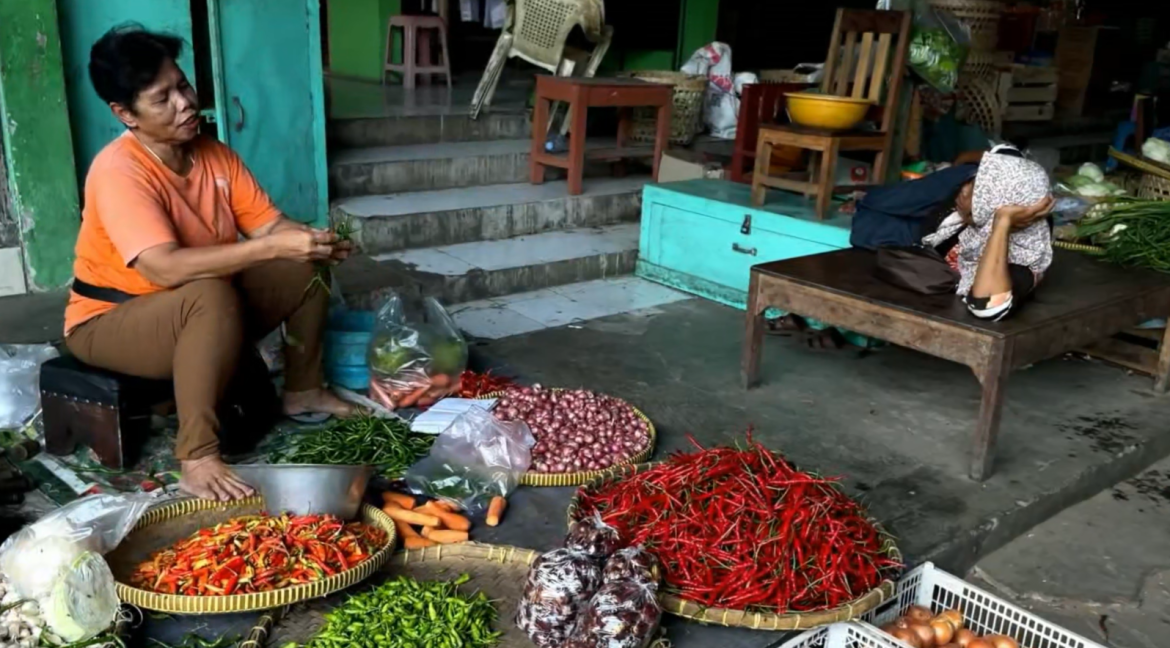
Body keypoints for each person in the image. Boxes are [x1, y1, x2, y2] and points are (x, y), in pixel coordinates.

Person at [64, 26, 356, 502]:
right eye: (162, 98)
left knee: (306, 265)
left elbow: (268, 226)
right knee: (208, 291)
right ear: (124, 114)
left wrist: (309, 240)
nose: (184, 103)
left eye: (183, 85)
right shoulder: (120, 171)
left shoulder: (213, 154)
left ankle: (303, 389)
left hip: (196, 310)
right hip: (110, 319)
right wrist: (270, 248)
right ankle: (197, 455)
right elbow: (164, 270)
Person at [921, 145, 1054, 320]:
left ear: (996, 203)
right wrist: (960, 162)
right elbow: (1004, 153)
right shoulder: (964, 222)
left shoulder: (1023, 262)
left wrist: (1001, 222)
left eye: (978, 188)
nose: (964, 189)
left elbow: (987, 305)